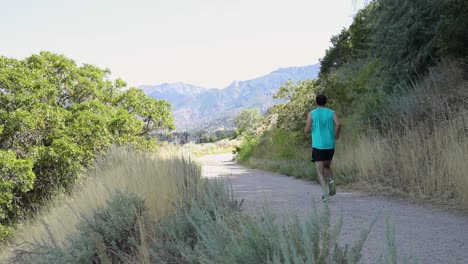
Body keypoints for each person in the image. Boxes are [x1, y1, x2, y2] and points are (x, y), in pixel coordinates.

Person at [304, 94, 341, 202]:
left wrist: (306, 131)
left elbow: (307, 129)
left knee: (319, 171)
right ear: (326, 102)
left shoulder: (312, 113)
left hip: (318, 145)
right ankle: (331, 180)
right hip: (330, 144)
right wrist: (336, 135)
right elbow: (338, 124)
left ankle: (325, 194)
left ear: (316, 102)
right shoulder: (331, 112)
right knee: (327, 167)